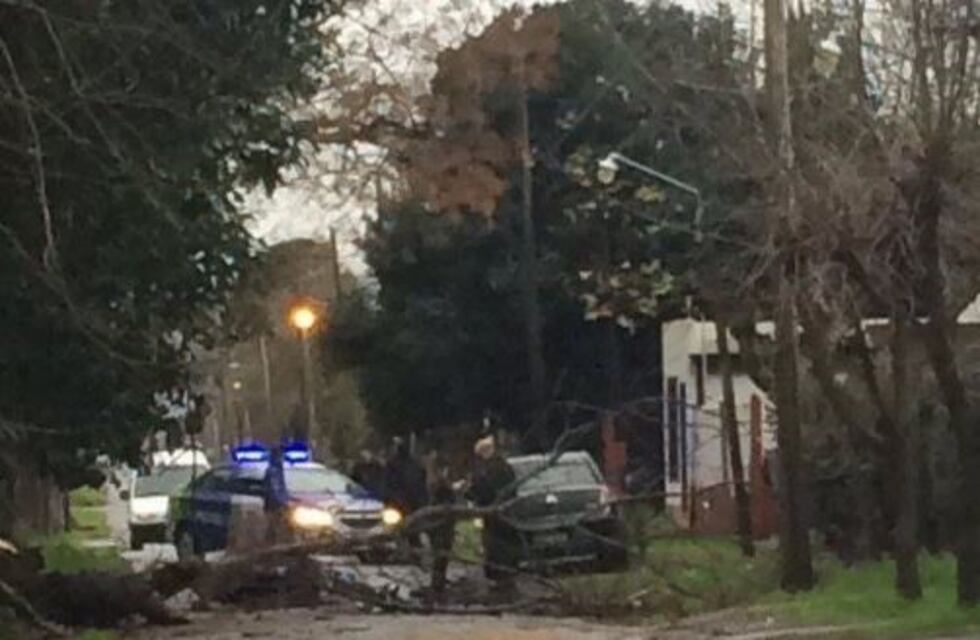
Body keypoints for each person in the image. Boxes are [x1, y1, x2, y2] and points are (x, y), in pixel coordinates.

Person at [465, 435, 519, 593]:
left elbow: (481, 490)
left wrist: (470, 493)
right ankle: (506, 575)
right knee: (505, 545)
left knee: (494, 546)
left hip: (492, 513)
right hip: (506, 512)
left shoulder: (488, 470)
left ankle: (498, 576)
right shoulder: (506, 467)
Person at [383, 438, 429, 549]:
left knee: (398, 528)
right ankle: (414, 548)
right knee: (412, 529)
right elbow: (422, 484)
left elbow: (389, 482)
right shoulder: (416, 465)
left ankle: (405, 547)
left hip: (399, 501)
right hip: (413, 502)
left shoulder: (393, 464)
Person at [428, 457, 457, 598]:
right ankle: (437, 586)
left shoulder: (437, 485)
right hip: (442, 527)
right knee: (441, 555)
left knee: (440, 556)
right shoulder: (441, 486)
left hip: (440, 526)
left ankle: (438, 584)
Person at [263, 445, 290, 546]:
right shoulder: (274, 471)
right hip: (274, 506)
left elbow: (281, 488)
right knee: (274, 528)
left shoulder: (277, 470)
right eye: (281, 456)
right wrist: (284, 503)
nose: (283, 458)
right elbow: (275, 489)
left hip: (273, 505)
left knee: (274, 529)